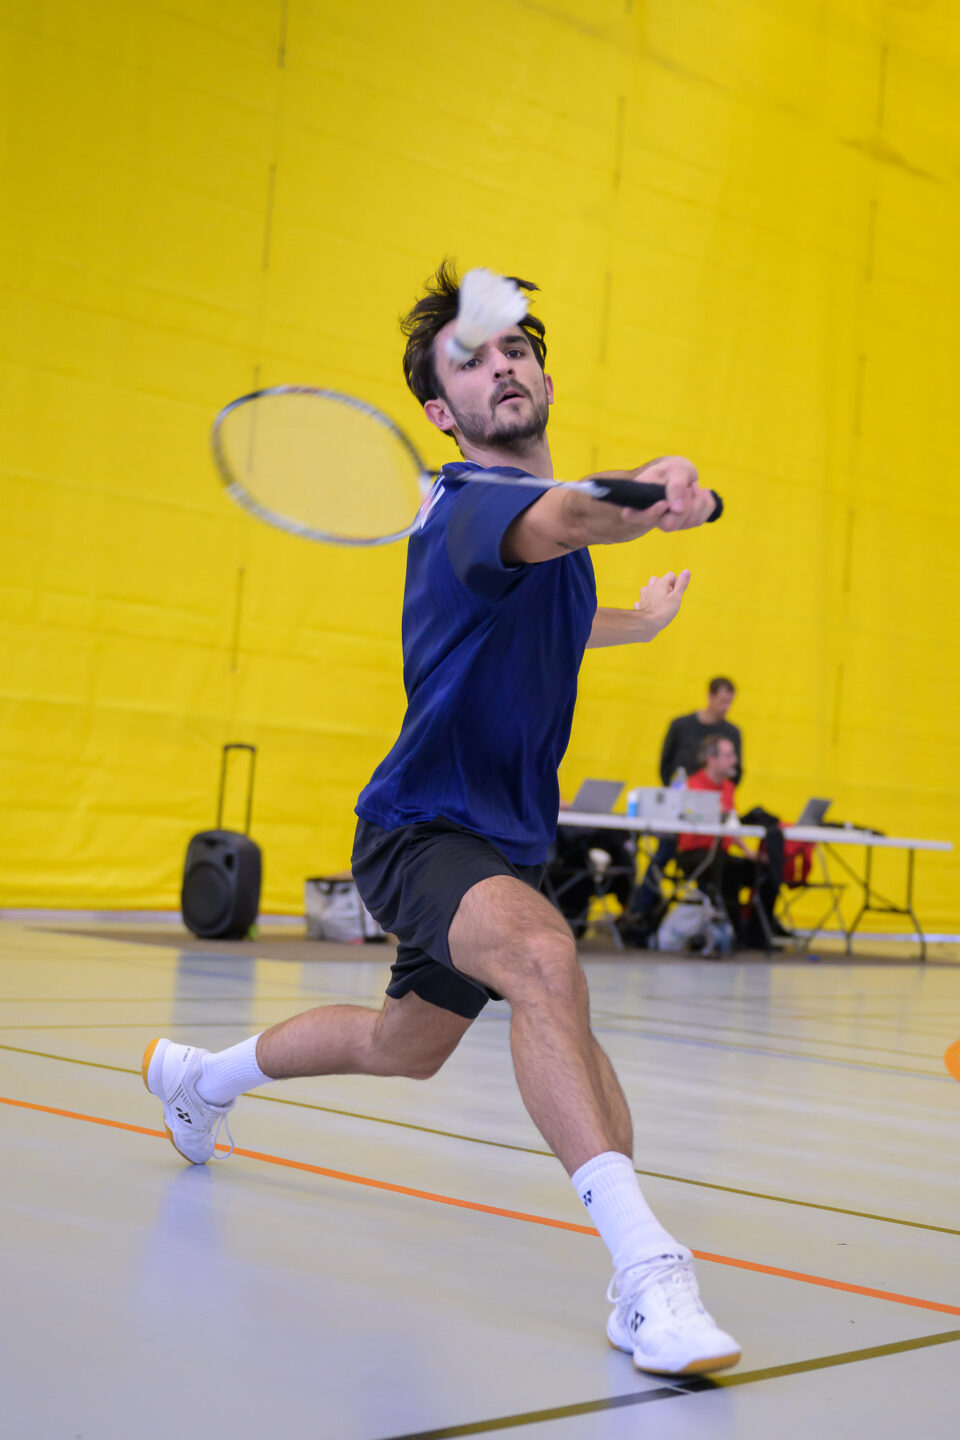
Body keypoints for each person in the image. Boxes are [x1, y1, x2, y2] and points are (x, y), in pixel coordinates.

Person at [142, 262, 740, 1377]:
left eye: (513, 348)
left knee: (402, 1045)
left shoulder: (539, 547)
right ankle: (646, 1274)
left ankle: (198, 1079)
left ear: (543, 369)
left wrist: (638, 625)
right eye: (470, 360)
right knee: (544, 954)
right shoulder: (475, 509)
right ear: (439, 414)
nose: (499, 366)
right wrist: (653, 489)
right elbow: (567, 514)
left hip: (499, 837)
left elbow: (559, 603)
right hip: (422, 828)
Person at [624, 677, 742, 934]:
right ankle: (639, 910)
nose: (726, 707)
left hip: (711, 809)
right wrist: (681, 794)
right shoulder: (682, 726)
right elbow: (666, 765)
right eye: (722, 700)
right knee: (663, 853)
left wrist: (717, 799)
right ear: (710, 696)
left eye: (730, 702)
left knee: (711, 856)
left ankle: (710, 917)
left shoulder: (731, 733)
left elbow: (736, 771)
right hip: (680, 806)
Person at [674, 735, 781, 948]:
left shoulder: (727, 787)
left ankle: (757, 936)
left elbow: (731, 824)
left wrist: (748, 851)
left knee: (766, 869)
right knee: (726, 869)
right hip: (694, 854)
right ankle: (734, 934)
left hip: (720, 854)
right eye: (729, 755)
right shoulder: (691, 786)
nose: (734, 761)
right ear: (711, 759)